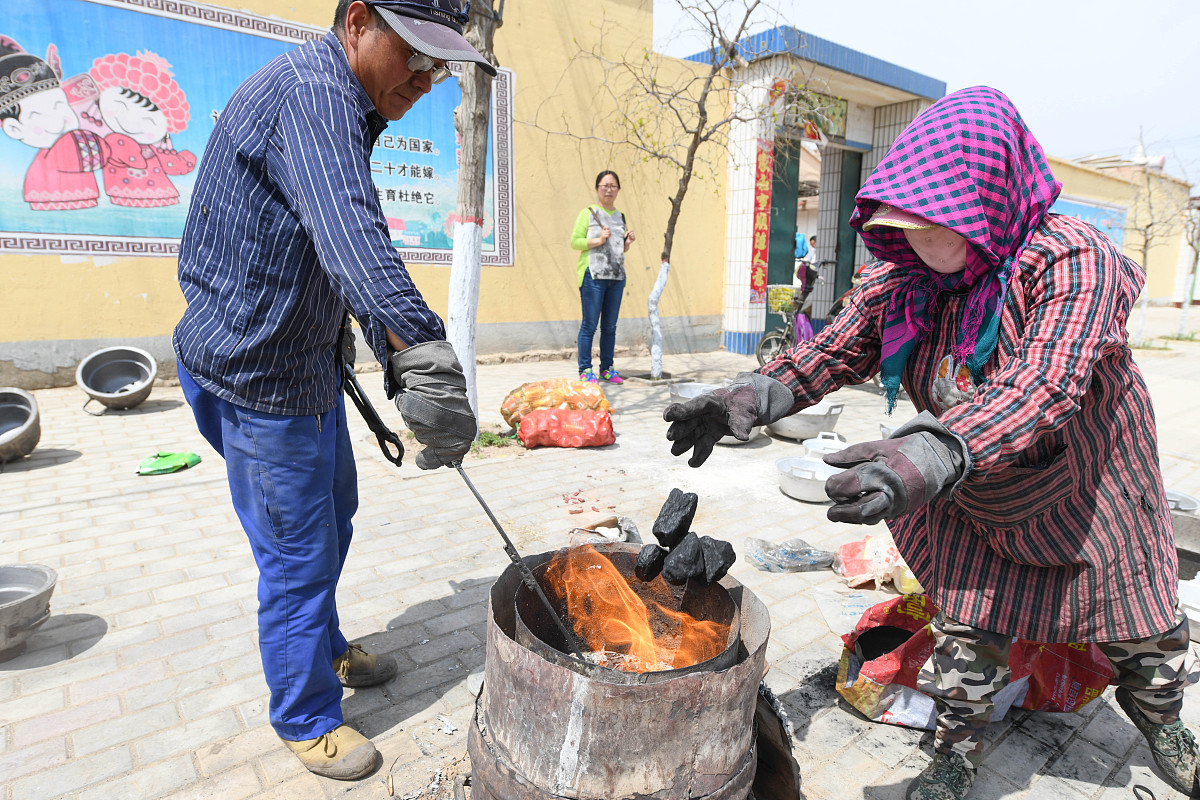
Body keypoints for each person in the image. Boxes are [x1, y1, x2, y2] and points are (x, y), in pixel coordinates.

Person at [663, 86, 1198, 800]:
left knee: (1142, 628)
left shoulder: (1074, 262)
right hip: (968, 489)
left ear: (986, 198)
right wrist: (759, 395)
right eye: (904, 222)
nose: (918, 238)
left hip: (1085, 485)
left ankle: (1163, 722)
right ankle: (954, 754)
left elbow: (1045, 381)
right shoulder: (905, 277)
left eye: (935, 220)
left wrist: (932, 451)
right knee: (969, 629)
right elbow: (834, 350)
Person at [172, 0, 493, 781]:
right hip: (258, 378)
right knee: (294, 553)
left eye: (438, 67)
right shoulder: (314, 95)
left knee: (331, 517)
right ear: (356, 21)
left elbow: (332, 246)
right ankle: (305, 714)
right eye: (414, 55)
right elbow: (354, 235)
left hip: (304, 368)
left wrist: (388, 352)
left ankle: (320, 644)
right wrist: (425, 354)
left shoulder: (340, 101)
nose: (424, 80)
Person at [571, 169, 636, 384]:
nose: (609, 189)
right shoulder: (588, 213)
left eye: (613, 186)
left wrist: (627, 243)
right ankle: (585, 370)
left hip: (616, 278)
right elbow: (575, 242)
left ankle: (607, 369)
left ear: (618, 189)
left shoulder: (620, 217)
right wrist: (599, 240)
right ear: (597, 188)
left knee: (610, 326)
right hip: (592, 276)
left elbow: (618, 250)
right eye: (605, 185)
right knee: (590, 324)